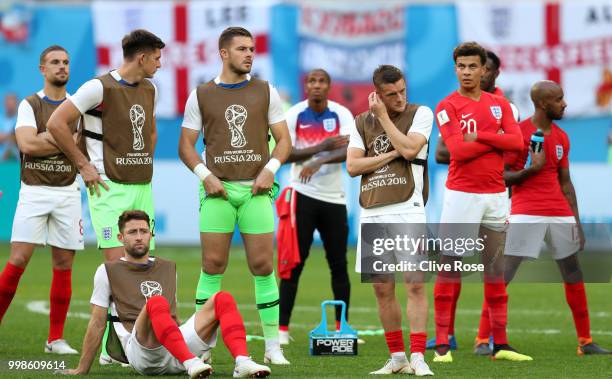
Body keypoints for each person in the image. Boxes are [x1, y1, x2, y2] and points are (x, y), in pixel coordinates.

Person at [178, 26, 292, 365]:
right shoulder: (200, 94)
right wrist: (205, 175)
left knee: (262, 265)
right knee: (212, 265)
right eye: (242, 49)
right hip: (218, 192)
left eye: (252, 49)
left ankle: (273, 346)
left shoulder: (265, 91)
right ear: (224, 53)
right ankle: (202, 347)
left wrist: (270, 169)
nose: (249, 54)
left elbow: (284, 140)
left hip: (256, 190)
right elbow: (185, 145)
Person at [57, 210, 271, 377]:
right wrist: (82, 369)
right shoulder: (107, 270)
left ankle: (242, 361)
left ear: (151, 233)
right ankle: (190, 362)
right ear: (121, 237)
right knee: (156, 303)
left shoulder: (168, 267)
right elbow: (97, 322)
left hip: (174, 348)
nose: (139, 237)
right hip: (142, 352)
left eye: (143, 231)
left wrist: (195, 343)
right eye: (132, 232)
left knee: (222, 298)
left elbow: (174, 317)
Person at [432, 41, 531, 362]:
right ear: (455, 68)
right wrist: (495, 140)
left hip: (495, 194)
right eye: (461, 66)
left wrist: (481, 137)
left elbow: (516, 143)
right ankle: (443, 345)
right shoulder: (447, 105)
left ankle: (500, 345)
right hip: (462, 195)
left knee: (494, 269)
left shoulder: (499, 104)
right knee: (450, 267)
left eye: (473, 66)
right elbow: (456, 152)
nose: (467, 72)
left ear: (483, 69)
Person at [498, 80, 610, 355]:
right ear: (542, 104)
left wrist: (577, 223)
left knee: (573, 272)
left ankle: (585, 341)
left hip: (560, 211)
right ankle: (485, 339)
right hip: (525, 209)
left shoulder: (561, 137)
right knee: (504, 274)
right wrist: (529, 171)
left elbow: (566, 183)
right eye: (559, 99)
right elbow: (502, 176)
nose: (565, 103)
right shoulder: (519, 134)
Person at [347, 65, 434, 376]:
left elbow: (410, 150)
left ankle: (419, 356)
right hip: (371, 210)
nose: (399, 98)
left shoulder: (421, 113)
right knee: (382, 289)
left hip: (408, 207)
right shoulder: (360, 122)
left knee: (415, 284)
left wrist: (384, 117)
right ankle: (397, 357)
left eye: (402, 91)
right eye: (391, 95)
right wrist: (388, 156)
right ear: (377, 94)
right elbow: (353, 167)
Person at [47, 29, 164, 262]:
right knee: (117, 264)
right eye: (157, 58)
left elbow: (150, 132)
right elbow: (56, 123)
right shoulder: (98, 88)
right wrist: (83, 166)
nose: (160, 65)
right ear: (142, 58)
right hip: (107, 183)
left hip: (141, 185)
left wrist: (142, 164)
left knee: (141, 261)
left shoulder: (151, 90)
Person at [0, 46, 81, 354]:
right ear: (42, 69)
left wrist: (45, 137)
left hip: (67, 191)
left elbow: (79, 145)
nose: (62, 67)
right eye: (55, 63)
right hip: (33, 190)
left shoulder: (77, 106)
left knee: (64, 265)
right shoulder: (30, 104)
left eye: (65, 62)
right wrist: (61, 138)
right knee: (18, 260)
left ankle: (55, 340)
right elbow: (26, 145)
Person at [278, 69, 352, 345]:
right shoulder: (294, 115)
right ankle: (282, 330)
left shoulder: (342, 114)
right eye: (312, 81)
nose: (317, 86)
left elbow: (348, 150)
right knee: (294, 264)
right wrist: (321, 148)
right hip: (302, 195)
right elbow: (284, 154)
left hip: (334, 199)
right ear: (306, 86)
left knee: (338, 265)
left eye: (322, 81)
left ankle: (341, 325)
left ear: (329, 86)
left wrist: (320, 160)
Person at [435, 50, 519, 165]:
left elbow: (513, 147)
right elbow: (441, 153)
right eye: (476, 69)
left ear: (496, 73)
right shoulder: (452, 105)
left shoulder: (507, 107)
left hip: (493, 180)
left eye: (487, 70)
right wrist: (494, 141)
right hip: (461, 181)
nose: (481, 74)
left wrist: (474, 139)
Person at [0, 93, 19, 161]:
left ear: (16, 104)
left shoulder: (21, 119)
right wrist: (13, 135)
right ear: (5, 104)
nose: (10, 106)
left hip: (18, 160)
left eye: (12, 104)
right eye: (8, 104)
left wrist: (5, 136)